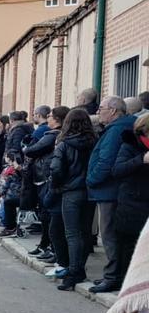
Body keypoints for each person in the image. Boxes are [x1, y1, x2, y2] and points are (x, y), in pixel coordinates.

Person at [87, 96, 138, 293]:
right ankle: (114, 274)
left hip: (110, 190)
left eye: (102, 108)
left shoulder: (117, 129)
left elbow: (106, 161)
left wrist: (91, 179)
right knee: (116, 235)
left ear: (114, 111)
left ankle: (113, 276)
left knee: (109, 235)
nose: (99, 112)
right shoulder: (123, 126)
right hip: (117, 190)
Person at [50, 108, 98, 291]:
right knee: (85, 232)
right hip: (90, 190)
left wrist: (56, 186)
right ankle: (79, 269)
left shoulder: (64, 144)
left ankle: (74, 271)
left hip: (70, 191)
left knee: (72, 233)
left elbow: (56, 169)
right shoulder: (95, 141)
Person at [109, 112, 149, 285]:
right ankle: (122, 282)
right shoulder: (130, 145)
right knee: (127, 246)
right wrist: (141, 160)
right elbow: (117, 170)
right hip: (132, 203)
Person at [25, 106, 66, 264]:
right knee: (45, 214)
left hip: (46, 178)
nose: (47, 119)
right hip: (43, 176)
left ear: (56, 119)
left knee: (48, 215)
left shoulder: (52, 135)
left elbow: (32, 150)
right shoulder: (50, 134)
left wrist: (26, 148)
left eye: (50, 116)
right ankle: (45, 245)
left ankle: (50, 248)